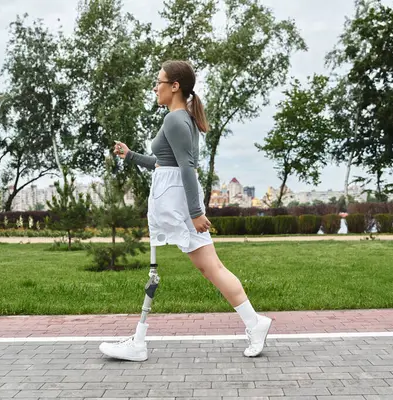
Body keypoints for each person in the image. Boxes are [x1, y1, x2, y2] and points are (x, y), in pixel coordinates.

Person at [99, 60, 272, 361]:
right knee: (207, 268)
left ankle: (140, 342)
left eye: (159, 81)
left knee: (204, 268)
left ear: (175, 86)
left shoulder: (175, 120)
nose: (155, 87)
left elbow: (187, 168)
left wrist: (195, 211)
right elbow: (163, 164)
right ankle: (252, 323)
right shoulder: (179, 119)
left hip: (176, 203)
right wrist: (130, 156)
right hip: (171, 198)